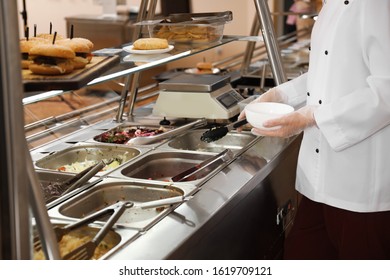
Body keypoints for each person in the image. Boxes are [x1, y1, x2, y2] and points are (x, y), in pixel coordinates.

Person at [239, 0, 390, 259]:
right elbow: (325, 73)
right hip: (317, 183)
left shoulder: (374, 5)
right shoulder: (331, 5)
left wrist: (313, 117)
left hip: (360, 188)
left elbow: (386, 91)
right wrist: (280, 96)